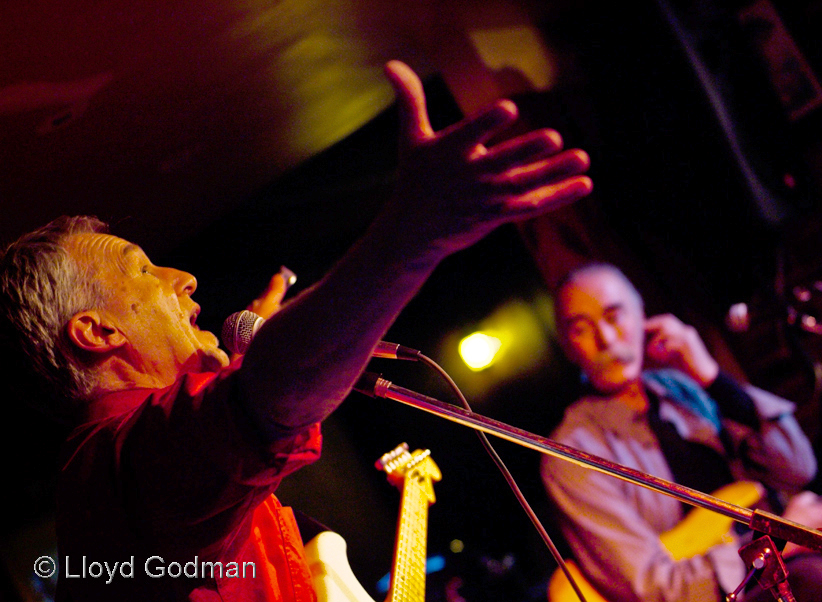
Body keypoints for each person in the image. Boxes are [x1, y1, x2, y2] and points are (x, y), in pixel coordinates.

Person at [0, 60, 592, 602]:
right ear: (97, 332)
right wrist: (414, 232)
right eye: (142, 269)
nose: (183, 279)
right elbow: (264, 397)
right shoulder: (121, 470)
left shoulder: (161, 479)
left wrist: (266, 342)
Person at [540, 263, 822, 602]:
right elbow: (654, 589)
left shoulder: (682, 389)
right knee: (814, 579)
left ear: (641, 315)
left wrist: (711, 376)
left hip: (763, 577)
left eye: (614, 316)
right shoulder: (571, 455)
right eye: (581, 329)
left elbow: (797, 468)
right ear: (567, 347)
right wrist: (776, 545)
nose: (605, 339)